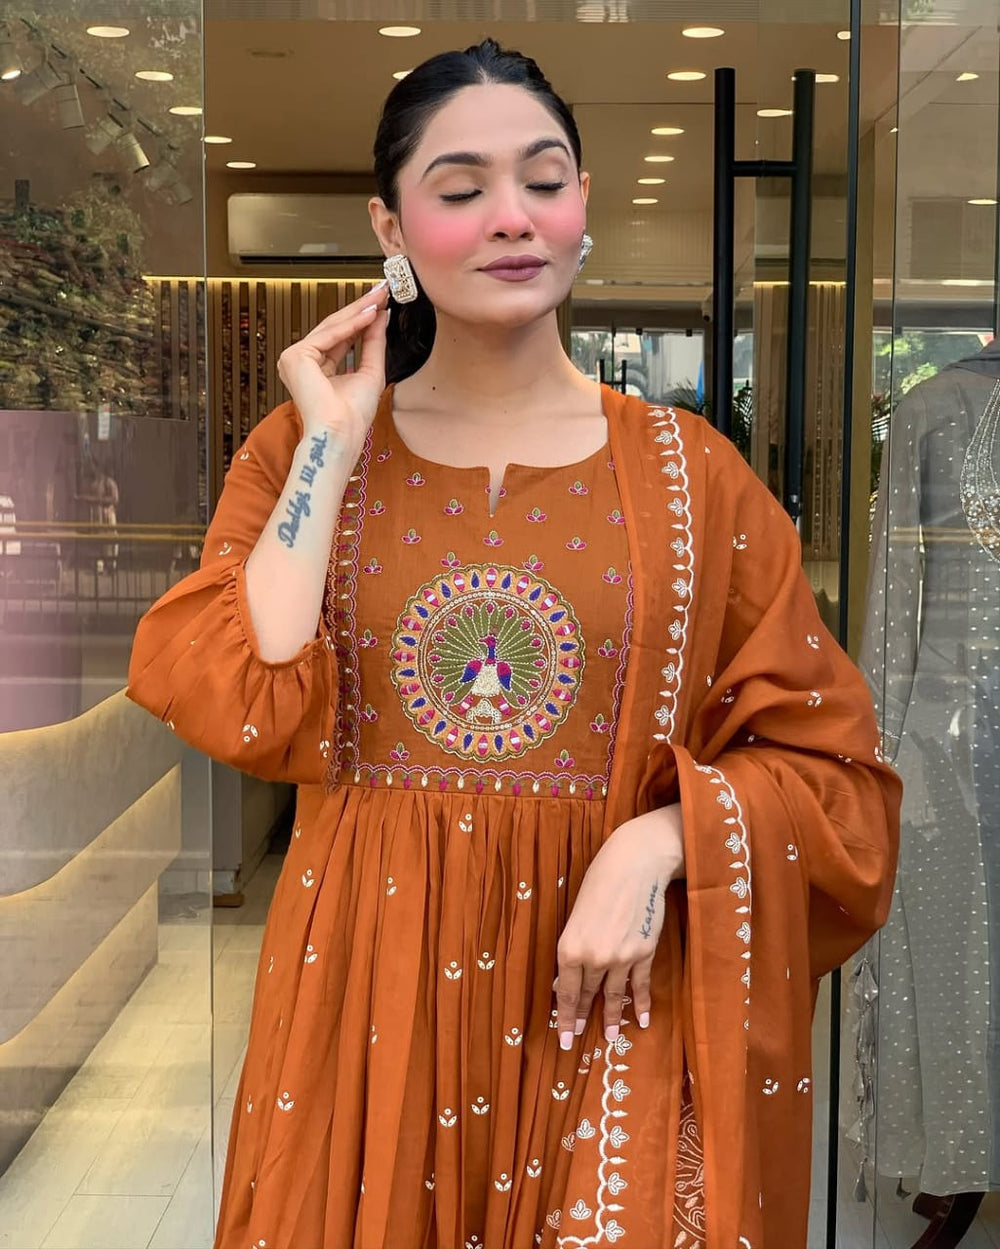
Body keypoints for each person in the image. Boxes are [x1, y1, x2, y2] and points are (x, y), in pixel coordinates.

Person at [127, 39, 900, 1249]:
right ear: (391, 225)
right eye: (461, 188)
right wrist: (330, 436)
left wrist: (661, 840)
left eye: (543, 180)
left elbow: (834, 777)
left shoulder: (693, 477)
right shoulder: (303, 455)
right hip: (363, 992)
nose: (511, 217)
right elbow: (246, 694)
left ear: (583, 201)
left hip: (609, 989)